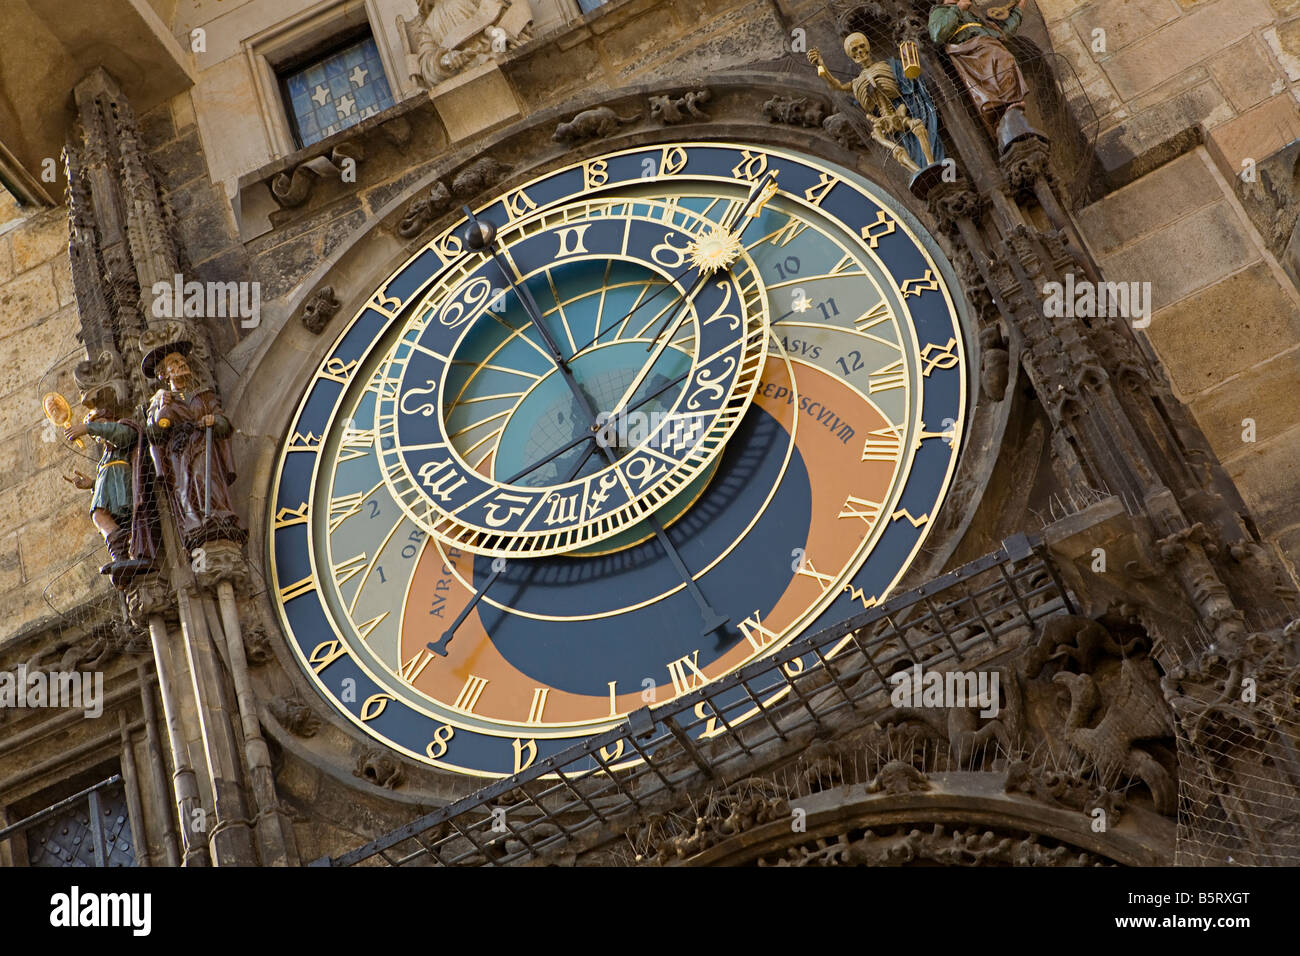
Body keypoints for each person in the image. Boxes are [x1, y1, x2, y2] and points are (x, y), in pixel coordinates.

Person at [142, 342, 246, 550]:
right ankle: (196, 524)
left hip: (203, 443)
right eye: (174, 362)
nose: (181, 364)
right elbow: (155, 433)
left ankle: (218, 517)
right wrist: (163, 405)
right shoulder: (160, 401)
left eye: (182, 360)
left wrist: (214, 421)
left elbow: (225, 424)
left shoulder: (203, 395)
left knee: (204, 476)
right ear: (164, 374)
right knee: (186, 485)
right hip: (179, 452)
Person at [809, 32, 944, 178]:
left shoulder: (888, 66)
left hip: (900, 111)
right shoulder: (856, 82)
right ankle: (916, 171)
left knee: (918, 126)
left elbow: (908, 81)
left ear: (868, 48)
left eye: (862, 47)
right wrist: (821, 66)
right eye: (854, 50)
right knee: (886, 142)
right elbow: (837, 86)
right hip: (881, 121)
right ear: (852, 57)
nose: (860, 52)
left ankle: (931, 164)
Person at [64, 390, 157, 583]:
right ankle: (121, 556)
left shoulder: (124, 430)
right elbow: (108, 480)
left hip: (126, 487)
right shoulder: (105, 457)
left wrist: (89, 427)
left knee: (109, 516)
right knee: (99, 516)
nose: (99, 436)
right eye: (96, 436)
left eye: (102, 426)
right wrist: (91, 484)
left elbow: (123, 436)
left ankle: (133, 550)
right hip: (111, 491)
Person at [929, 0, 1033, 146]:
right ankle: (1002, 113)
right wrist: (957, 9)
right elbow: (937, 34)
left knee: (1004, 57)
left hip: (989, 45)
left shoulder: (973, 17)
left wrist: (1019, 9)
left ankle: (1011, 106)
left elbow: (1001, 35)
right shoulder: (939, 12)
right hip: (970, 52)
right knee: (996, 54)